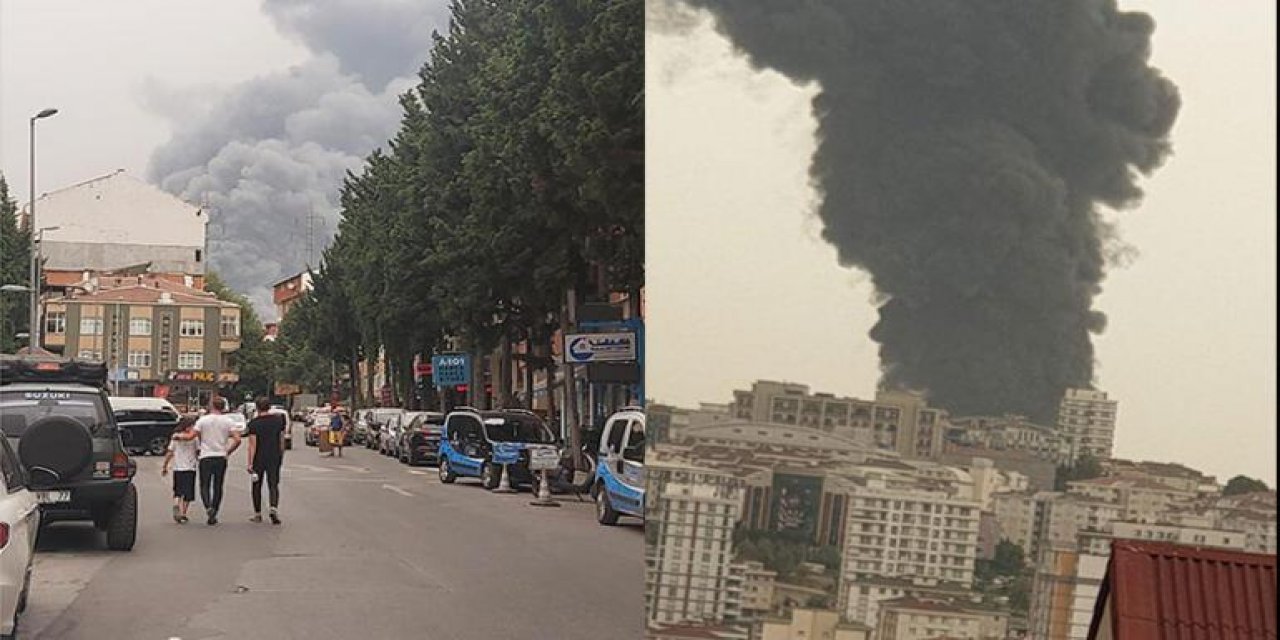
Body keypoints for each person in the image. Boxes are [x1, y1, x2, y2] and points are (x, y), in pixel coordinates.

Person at [175, 396, 242, 525]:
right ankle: (215, 511)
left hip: (205, 456)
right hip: (221, 456)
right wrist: (228, 451)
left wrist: (178, 436)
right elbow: (238, 439)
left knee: (204, 485)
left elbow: (190, 437)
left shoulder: (203, 421)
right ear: (223, 407)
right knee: (218, 485)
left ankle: (208, 507)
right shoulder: (228, 421)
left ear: (211, 406)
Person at [245, 396, 287, 524]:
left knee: (256, 485)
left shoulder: (254, 424)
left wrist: (250, 462)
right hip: (274, 456)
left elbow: (253, 445)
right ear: (269, 407)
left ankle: (257, 514)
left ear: (257, 408)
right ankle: (273, 508)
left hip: (259, 458)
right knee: (273, 484)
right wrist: (281, 454)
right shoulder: (278, 421)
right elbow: (281, 439)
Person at [161, 414, 199, 524]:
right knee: (188, 493)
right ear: (188, 426)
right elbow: (197, 452)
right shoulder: (194, 438)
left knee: (178, 490)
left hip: (178, 468)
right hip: (190, 468)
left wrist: (165, 466)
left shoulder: (175, 436)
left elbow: (170, 452)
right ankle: (183, 513)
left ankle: (176, 504)